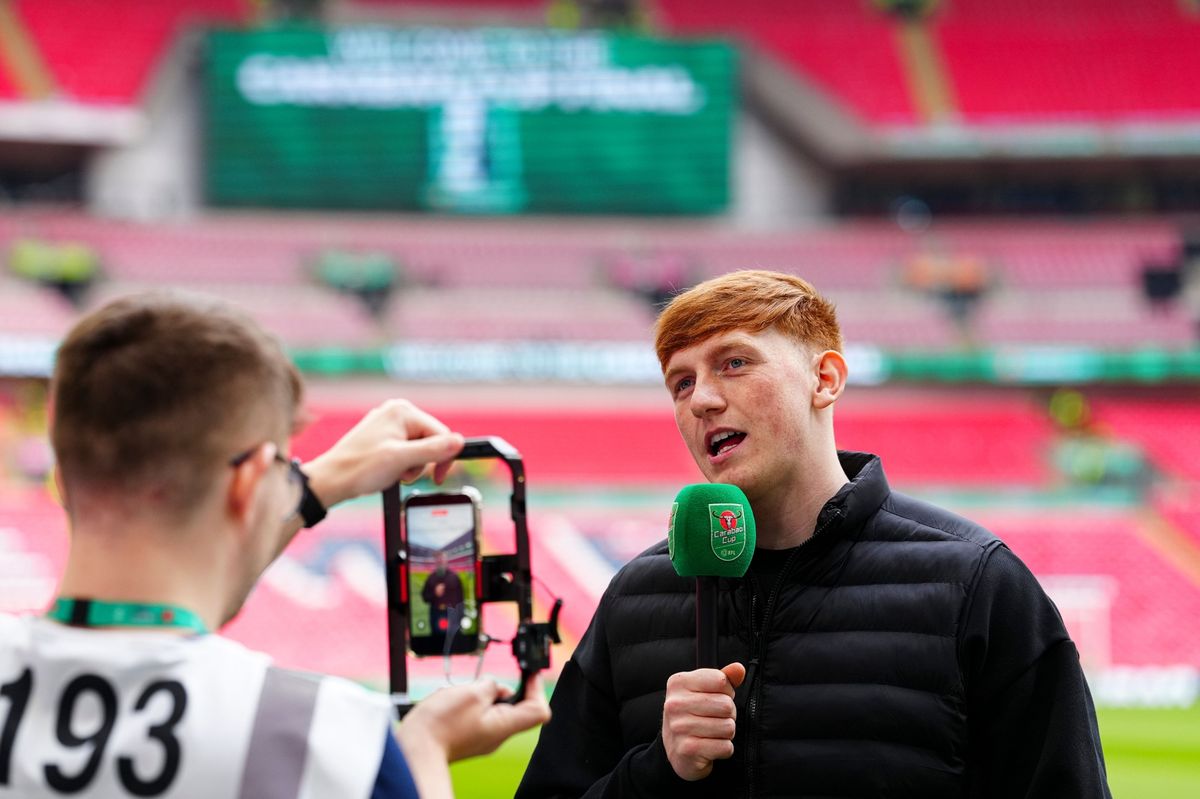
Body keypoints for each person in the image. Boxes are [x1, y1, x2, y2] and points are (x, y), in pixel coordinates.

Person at [517, 270, 1110, 798]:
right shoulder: (634, 597)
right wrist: (658, 769)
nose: (702, 399)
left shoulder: (976, 580)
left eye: (734, 362)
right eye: (680, 382)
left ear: (824, 379)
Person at [0, 292, 550, 798]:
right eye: (285, 469)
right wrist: (425, 751)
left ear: (63, 477)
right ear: (247, 482)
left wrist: (316, 482)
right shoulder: (323, 736)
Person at [423, 550, 467, 639]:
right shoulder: (431, 578)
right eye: (438, 559)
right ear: (435, 561)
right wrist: (434, 593)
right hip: (436, 614)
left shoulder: (454, 577)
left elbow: (460, 598)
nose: (440, 561)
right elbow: (425, 597)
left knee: (454, 642)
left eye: (442, 558)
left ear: (446, 560)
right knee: (437, 642)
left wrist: (461, 616)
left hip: (452, 614)